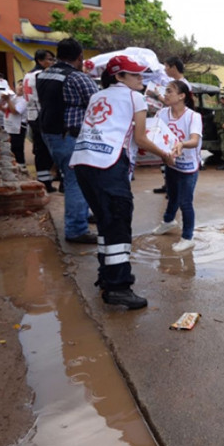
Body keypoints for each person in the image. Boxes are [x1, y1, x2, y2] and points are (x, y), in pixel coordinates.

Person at [70, 55, 174, 309]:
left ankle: (106, 276)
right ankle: (118, 287)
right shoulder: (133, 97)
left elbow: (116, 131)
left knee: (106, 221)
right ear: (119, 76)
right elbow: (140, 137)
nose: (141, 79)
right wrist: (165, 154)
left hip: (83, 162)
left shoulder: (97, 95)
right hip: (107, 164)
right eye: (135, 75)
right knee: (117, 221)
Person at [37, 37, 99, 244]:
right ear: (80, 56)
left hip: (50, 133)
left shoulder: (44, 74)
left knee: (76, 178)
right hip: (68, 136)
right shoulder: (76, 78)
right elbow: (97, 103)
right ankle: (76, 229)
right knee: (76, 181)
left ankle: (81, 214)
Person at [150, 80, 203, 252]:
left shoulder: (193, 117)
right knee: (172, 196)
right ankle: (168, 221)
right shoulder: (162, 114)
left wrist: (181, 145)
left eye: (169, 91)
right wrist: (164, 156)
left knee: (185, 202)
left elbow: (195, 141)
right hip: (171, 163)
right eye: (165, 91)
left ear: (181, 96)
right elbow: (155, 136)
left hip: (188, 166)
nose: (165, 94)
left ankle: (188, 237)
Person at [151, 56, 192, 193]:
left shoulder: (183, 85)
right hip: (169, 122)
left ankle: (175, 188)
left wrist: (157, 95)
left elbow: (171, 103)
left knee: (176, 156)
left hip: (179, 124)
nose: (164, 69)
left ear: (173, 67)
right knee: (166, 154)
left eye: (166, 66)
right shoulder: (173, 82)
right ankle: (168, 184)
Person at [23, 49, 57, 192]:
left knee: (40, 150)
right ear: (40, 61)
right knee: (46, 150)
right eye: (49, 59)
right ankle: (46, 183)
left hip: (31, 115)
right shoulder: (41, 75)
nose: (52, 63)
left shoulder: (28, 75)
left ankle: (44, 180)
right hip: (41, 115)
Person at [0, 80, 28, 165]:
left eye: (23, 86)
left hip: (19, 126)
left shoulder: (25, 99)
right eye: (19, 85)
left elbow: (15, 111)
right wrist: (0, 104)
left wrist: (8, 100)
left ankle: (21, 165)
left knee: (17, 147)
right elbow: (6, 109)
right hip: (9, 125)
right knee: (10, 146)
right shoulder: (13, 97)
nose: (21, 87)